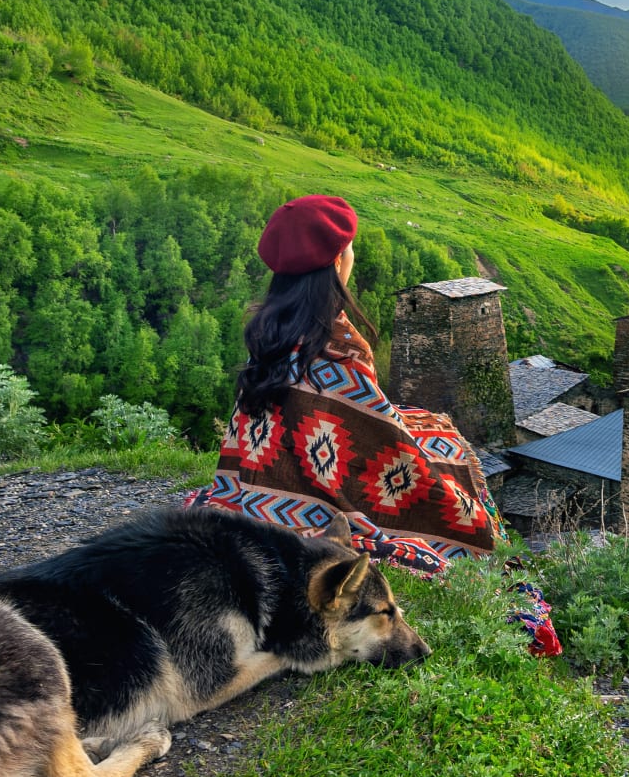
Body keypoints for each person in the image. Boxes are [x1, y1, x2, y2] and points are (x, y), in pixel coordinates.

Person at [187, 195, 559, 655]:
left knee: (431, 427)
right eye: (349, 248)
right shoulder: (337, 347)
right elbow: (376, 442)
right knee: (450, 459)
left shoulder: (268, 334)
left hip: (260, 492)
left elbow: (297, 428)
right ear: (337, 262)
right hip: (326, 503)